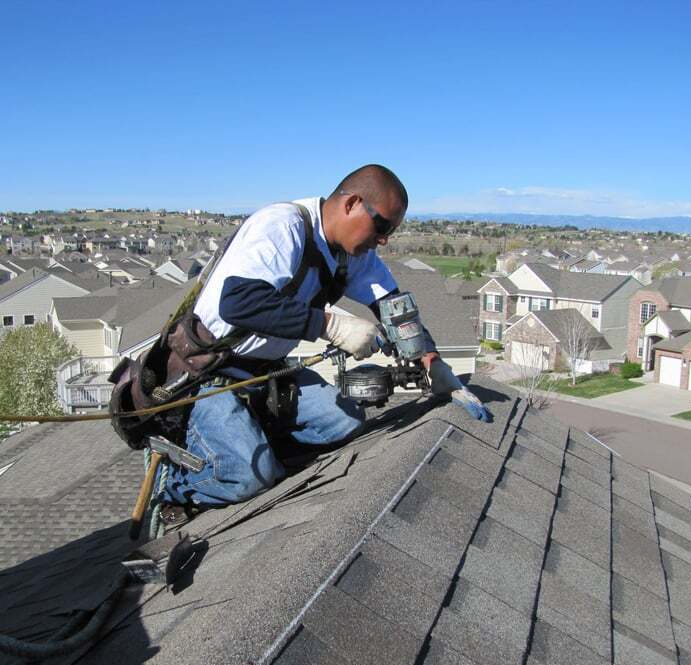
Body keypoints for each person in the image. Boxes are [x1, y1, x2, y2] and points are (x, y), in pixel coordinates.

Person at [153, 164, 490, 510]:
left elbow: (394, 308)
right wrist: (332, 326)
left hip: (264, 372)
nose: (384, 239)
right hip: (203, 376)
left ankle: (257, 447)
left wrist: (431, 361)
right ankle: (177, 492)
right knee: (247, 477)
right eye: (382, 226)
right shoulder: (283, 226)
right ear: (352, 204)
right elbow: (238, 302)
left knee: (346, 423)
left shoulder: (352, 256)